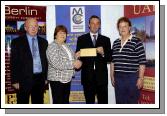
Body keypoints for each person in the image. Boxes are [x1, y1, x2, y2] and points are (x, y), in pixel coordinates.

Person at [10, 18, 48, 104]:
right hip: (23, 80)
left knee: (38, 103)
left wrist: (46, 78)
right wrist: (15, 80)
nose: (34, 28)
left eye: (35, 26)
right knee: (23, 104)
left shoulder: (44, 42)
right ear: (26, 28)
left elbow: (46, 61)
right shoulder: (17, 42)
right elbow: (14, 63)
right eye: (31, 26)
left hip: (40, 79)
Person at [76, 15, 112, 104]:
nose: (95, 25)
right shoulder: (81, 39)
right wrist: (77, 56)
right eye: (92, 23)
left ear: (99, 25)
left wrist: (103, 53)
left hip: (101, 79)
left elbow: (110, 58)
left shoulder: (106, 40)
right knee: (89, 104)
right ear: (89, 25)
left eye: (97, 23)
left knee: (103, 103)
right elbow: (78, 57)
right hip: (87, 78)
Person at [111, 17, 147, 104]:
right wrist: (112, 76)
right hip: (118, 78)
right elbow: (112, 61)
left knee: (132, 103)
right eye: (120, 27)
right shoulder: (115, 42)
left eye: (125, 26)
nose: (122, 29)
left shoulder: (137, 41)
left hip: (132, 78)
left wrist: (141, 78)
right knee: (119, 103)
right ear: (118, 29)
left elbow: (142, 62)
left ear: (129, 27)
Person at [46, 25, 82, 104]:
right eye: (60, 33)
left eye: (64, 33)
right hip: (57, 80)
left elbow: (70, 60)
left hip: (66, 79)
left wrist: (76, 56)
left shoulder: (66, 46)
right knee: (59, 103)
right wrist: (73, 63)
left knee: (65, 103)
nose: (63, 35)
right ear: (55, 35)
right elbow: (57, 63)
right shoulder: (52, 46)